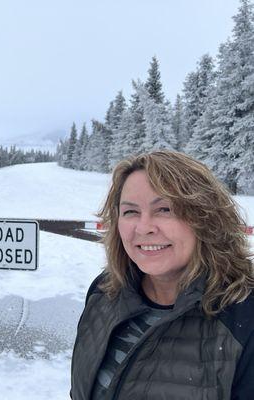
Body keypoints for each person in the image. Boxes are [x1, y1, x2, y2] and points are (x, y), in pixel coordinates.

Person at [70, 150, 254, 400]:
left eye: (165, 209)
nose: (144, 228)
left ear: (206, 218)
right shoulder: (104, 292)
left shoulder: (244, 320)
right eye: (130, 212)